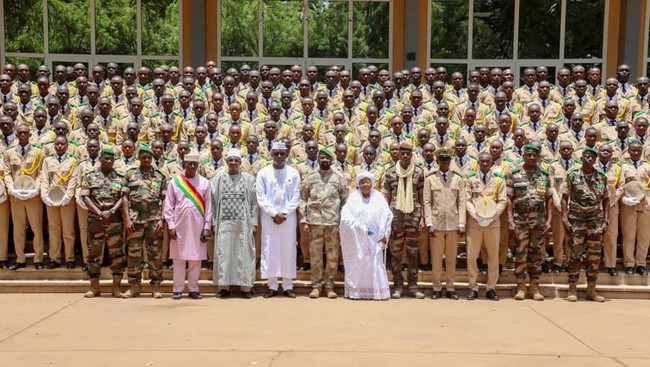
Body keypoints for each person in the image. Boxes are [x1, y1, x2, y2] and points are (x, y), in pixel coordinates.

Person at [300, 147, 349, 299]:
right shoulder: (310, 178)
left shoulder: (339, 178)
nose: (324, 160)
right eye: (322, 158)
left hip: (333, 222)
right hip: (314, 221)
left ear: (331, 160)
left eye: (327, 158)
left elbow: (345, 201)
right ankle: (316, 286)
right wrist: (304, 219)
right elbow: (303, 199)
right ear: (318, 159)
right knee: (315, 256)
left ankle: (329, 286)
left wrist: (342, 221)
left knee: (333, 255)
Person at [562, 147, 609, 302]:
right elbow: (564, 197)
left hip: (595, 220)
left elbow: (606, 199)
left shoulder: (601, 177)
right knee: (575, 254)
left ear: (595, 160)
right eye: (586, 156)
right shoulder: (573, 175)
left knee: (594, 256)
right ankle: (572, 288)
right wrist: (564, 218)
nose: (589, 159)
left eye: (592, 157)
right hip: (577, 219)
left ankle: (591, 290)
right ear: (581, 157)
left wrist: (606, 220)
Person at [506, 144, 553, 301]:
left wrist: (550, 219)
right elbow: (509, 199)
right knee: (520, 254)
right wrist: (510, 220)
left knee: (536, 255)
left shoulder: (544, 175)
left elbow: (549, 198)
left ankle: (534, 288)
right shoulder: (514, 174)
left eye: (534, 155)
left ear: (538, 156)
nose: (531, 157)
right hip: (520, 220)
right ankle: (520, 288)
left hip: (538, 221)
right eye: (528, 155)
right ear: (524, 155)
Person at [164, 153, 212, 300]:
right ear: (184, 164)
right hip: (179, 226)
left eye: (194, 165)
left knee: (196, 259)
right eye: (189, 164)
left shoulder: (204, 183)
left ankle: (193, 289)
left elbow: (209, 206)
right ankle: (177, 289)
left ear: (198, 166)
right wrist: (171, 225)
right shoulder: (175, 182)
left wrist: (207, 226)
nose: (191, 167)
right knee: (178, 259)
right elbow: (168, 205)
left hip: (198, 226)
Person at [211, 149, 258, 298]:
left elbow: (254, 203)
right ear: (226, 162)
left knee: (243, 253)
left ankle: (245, 287)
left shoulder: (249, 179)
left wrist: (254, 222)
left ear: (240, 163)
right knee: (224, 253)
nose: (233, 163)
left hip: (244, 223)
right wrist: (213, 222)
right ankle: (223, 287)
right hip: (224, 223)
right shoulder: (218, 179)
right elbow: (212, 202)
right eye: (230, 160)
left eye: (236, 161)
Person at [256, 141, 301, 298]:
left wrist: (285, 213)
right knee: (270, 249)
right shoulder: (263, 173)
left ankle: (288, 285)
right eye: (276, 153)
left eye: (282, 153)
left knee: (288, 248)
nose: (279, 156)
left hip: (288, 218)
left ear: (287, 154)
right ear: (271, 154)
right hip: (269, 218)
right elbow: (260, 197)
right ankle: (272, 285)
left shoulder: (293, 173)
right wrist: (273, 213)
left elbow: (296, 196)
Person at [121, 144, 167, 299]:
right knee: (133, 254)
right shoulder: (130, 174)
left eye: (149, 157)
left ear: (152, 159)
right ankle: (134, 286)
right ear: (139, 158)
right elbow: (125, 198)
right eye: (143, 157)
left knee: (155, 254)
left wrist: (162, 219)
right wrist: (127, 219)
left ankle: (156, 286)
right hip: (135, 219)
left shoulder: (160, 175)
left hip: (154, 219)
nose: (146, 160)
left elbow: (164, 199)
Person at [382, 141, 426, 299]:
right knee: (396, 253)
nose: (405, 155)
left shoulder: (419, 172)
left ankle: (413, 286)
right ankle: (398, 286)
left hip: (413, 216)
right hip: (396, 217)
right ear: (398, 154)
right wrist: (385, 218)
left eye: (408, 153)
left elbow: (422, 197)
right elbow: (386, 196)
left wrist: (423, 219)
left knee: (413, 253)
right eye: (402, 153)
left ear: (412, 155)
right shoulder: (390, 172)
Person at [339, 172, 392, 300]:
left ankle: (375, 291)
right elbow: (345, 217)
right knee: (359, 263)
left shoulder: (379, 197)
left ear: (371, 183)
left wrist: (385, 234)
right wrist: (360, 228)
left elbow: (388, 215)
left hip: (375, 238)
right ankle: (357, 291)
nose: (365, 184)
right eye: (362, 182)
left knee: (374, 263)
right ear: (358, 184)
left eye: (367, 182)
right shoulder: (353, 198)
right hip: (357, 238)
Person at [80, 148, 125, 298]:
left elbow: (123, 198)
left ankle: (116, 288)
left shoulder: (119, 178)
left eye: (111, 159)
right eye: (106, 158)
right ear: (100, 159)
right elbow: (85, 197)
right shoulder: (90, 176)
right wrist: (99, 212)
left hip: (114, 220)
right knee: (94, 253)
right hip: (96, 219)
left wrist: (111, 212)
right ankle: (94, 287)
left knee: (117, 254)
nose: (109, 161)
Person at [423, 148, 466, 300]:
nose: (445, 162)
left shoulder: (458, 179)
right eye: (442, 160)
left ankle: (450, 287)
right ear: (438, 161)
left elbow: (462, 202)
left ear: (451, 161)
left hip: (453, 224)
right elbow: (427, 202)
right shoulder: (430, 179)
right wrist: (429, 223)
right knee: (436, 258)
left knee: (451, 258)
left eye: (447, 160)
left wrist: (462, 223)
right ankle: (436, 287)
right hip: (437, 224)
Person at [465, 152, 506, 301]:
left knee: (493, 256)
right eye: (482, 161)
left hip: (492, 223)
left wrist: (493, 216)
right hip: (475, 223)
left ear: (491, 163)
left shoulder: (498, 180)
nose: (484, 164)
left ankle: (491, 288)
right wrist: (475, 215)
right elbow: (467, 200)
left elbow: (502, 200)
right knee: (471, 256)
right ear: (478, 162)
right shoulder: (470, 179)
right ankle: (473, 287)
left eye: (487, 161)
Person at [4, 124, 45, 270]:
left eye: (25, 133)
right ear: (16, 134)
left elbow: (41, 173)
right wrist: (11, 189)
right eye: (20, 133)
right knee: (18, 229)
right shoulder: (9, 153)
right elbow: (7, 173)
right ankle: (20, 259)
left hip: (33, 196)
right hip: (16, 196)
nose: (22, 135)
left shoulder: (38, 152)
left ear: (30, 135)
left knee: (36, 228)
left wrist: (36, 190)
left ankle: (38, 259)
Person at [40, 136, 77, 269]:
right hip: (51, 199)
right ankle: (54, 258)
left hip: (67, 200)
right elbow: (44, 180)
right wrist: (44, 196)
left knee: (68, 231)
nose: (60, 146)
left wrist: (68, 195)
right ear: (54, 146)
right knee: (53, 229)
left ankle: (69, 258)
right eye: (57, 144)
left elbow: (73, 180)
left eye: (62, 144)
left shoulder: (73, 161)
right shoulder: (48, 161)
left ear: (67, 145)